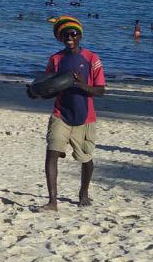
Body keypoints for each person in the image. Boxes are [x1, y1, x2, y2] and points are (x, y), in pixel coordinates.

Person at [27, 16, 106, 211]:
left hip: (84, 117)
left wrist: (79, 84)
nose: (70, 37)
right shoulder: (56, 59)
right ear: (60, 38)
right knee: (51, 153)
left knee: (86, 159)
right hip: (60, 114)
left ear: (80, 36)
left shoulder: (91, 58)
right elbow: (49, 88)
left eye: (73, 34)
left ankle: (83, 193)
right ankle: (53, 201)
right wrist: (36, 94)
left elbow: (101, 91)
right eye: (65, 34)